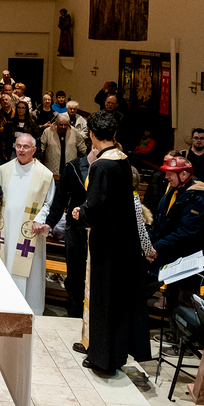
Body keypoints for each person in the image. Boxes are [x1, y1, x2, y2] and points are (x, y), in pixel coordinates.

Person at [72, 111, 150, 373]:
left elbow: (95, 207)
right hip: (123, 240)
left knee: (103, 298)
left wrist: (80, 213)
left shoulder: (100, 166)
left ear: (92, 134)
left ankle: (101, 358)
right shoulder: (124, 161)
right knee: (117, 299)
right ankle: (114, 353)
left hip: (105, 242)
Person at [0, 134, 56, 315]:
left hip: (29, 231)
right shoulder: (4, 169)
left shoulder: (45, 175)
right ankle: (3, 304)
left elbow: (48, 203)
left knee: (28, 268)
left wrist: (39, 220)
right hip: (6, 227)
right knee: (5, 263)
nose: (21, 150)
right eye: (18, 146)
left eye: (26, 147)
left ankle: (28, 307)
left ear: (34, 150)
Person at [151, 156, 204, 308]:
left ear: (184, 174)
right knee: (172, 299)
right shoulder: (172, 191)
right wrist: (151, 243)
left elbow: (185, 233)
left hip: (190, 261)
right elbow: (160, 221)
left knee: (185, 304)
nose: (166, 177)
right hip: (172, 257)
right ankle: (172, 323)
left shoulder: (198, 198)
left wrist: (156, 247)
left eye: (170, 173)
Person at [46, 149, 96, 318]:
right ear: (94, 146)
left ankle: (92, 314)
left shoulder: (106, 167)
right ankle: (75, 311)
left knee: (95, 275)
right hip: (75, 229)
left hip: (98, 230)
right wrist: (49, 223)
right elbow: (60, 199)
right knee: (75, 274)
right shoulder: (73, 167)